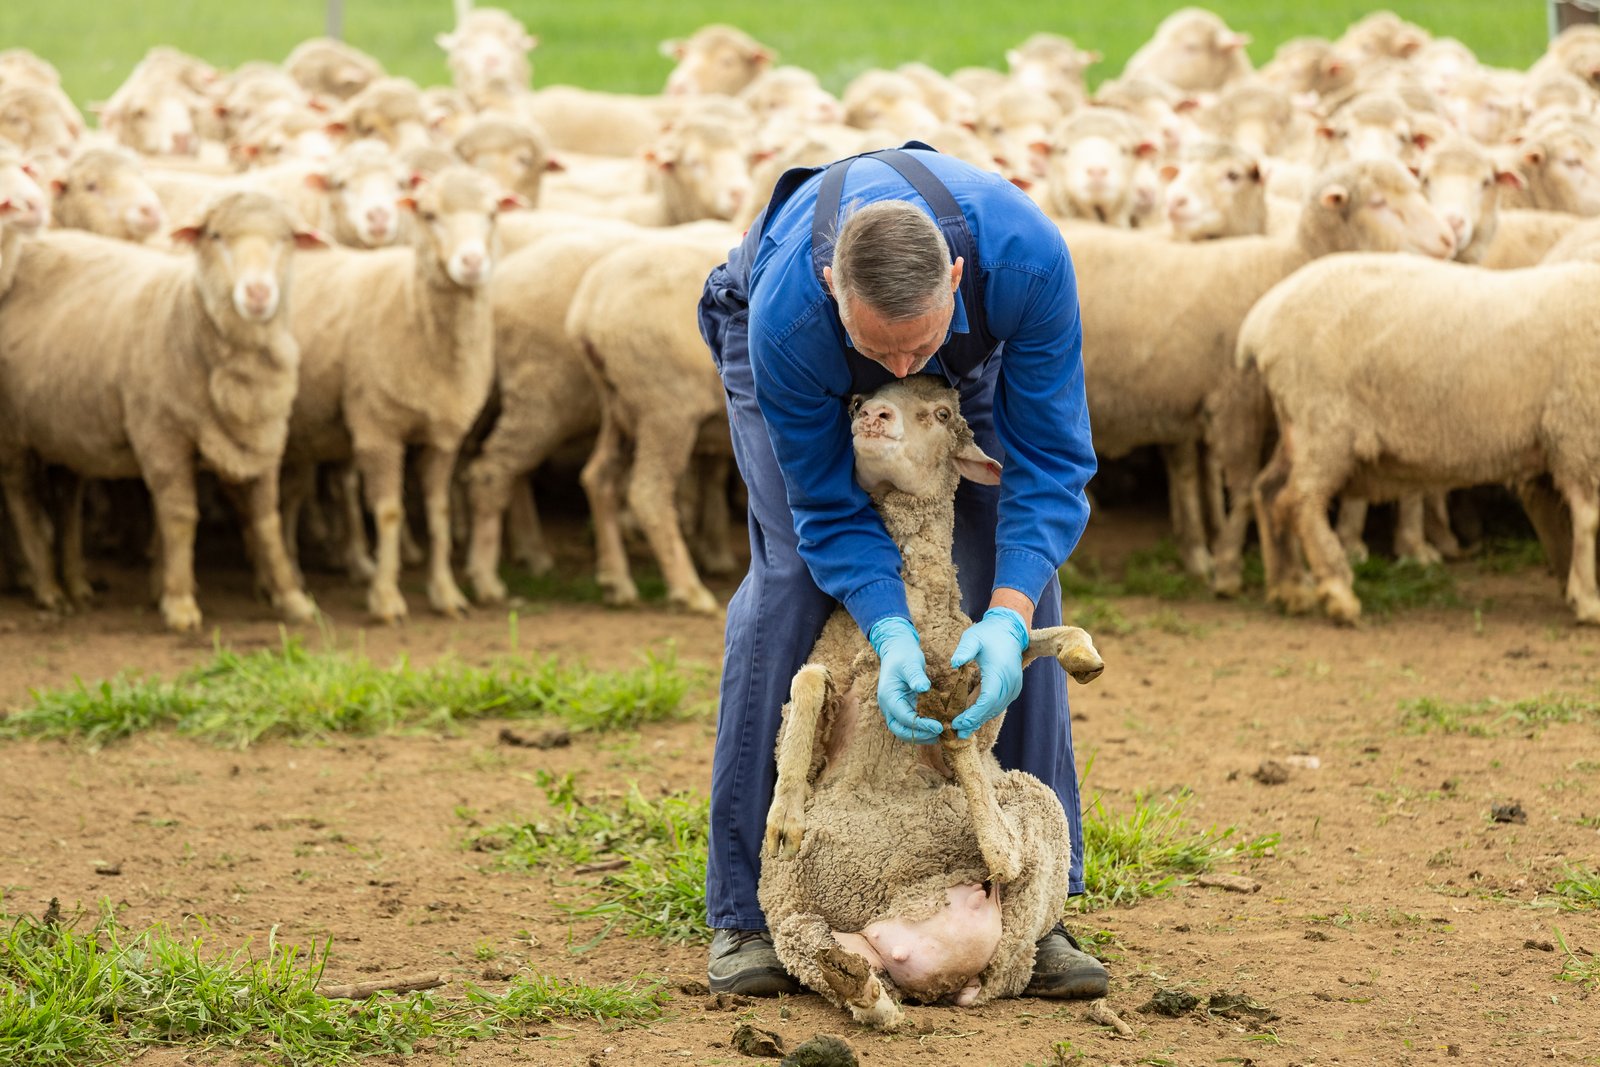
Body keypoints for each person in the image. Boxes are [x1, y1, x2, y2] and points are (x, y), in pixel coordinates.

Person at [696, 143, 1104, 999]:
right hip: (791, 351)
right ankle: (742, 910)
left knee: (1015, 563)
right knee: (788, 584)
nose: (899, 370)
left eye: (915, 346)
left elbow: (1050, 464)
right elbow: (826, 510)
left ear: (956, 277)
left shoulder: (1024, 264)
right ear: (833, 292)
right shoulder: (792, 320)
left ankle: (1038, 906)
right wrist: (887, 626)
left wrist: (1006, 616)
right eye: (877, 348)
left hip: (975, 355)